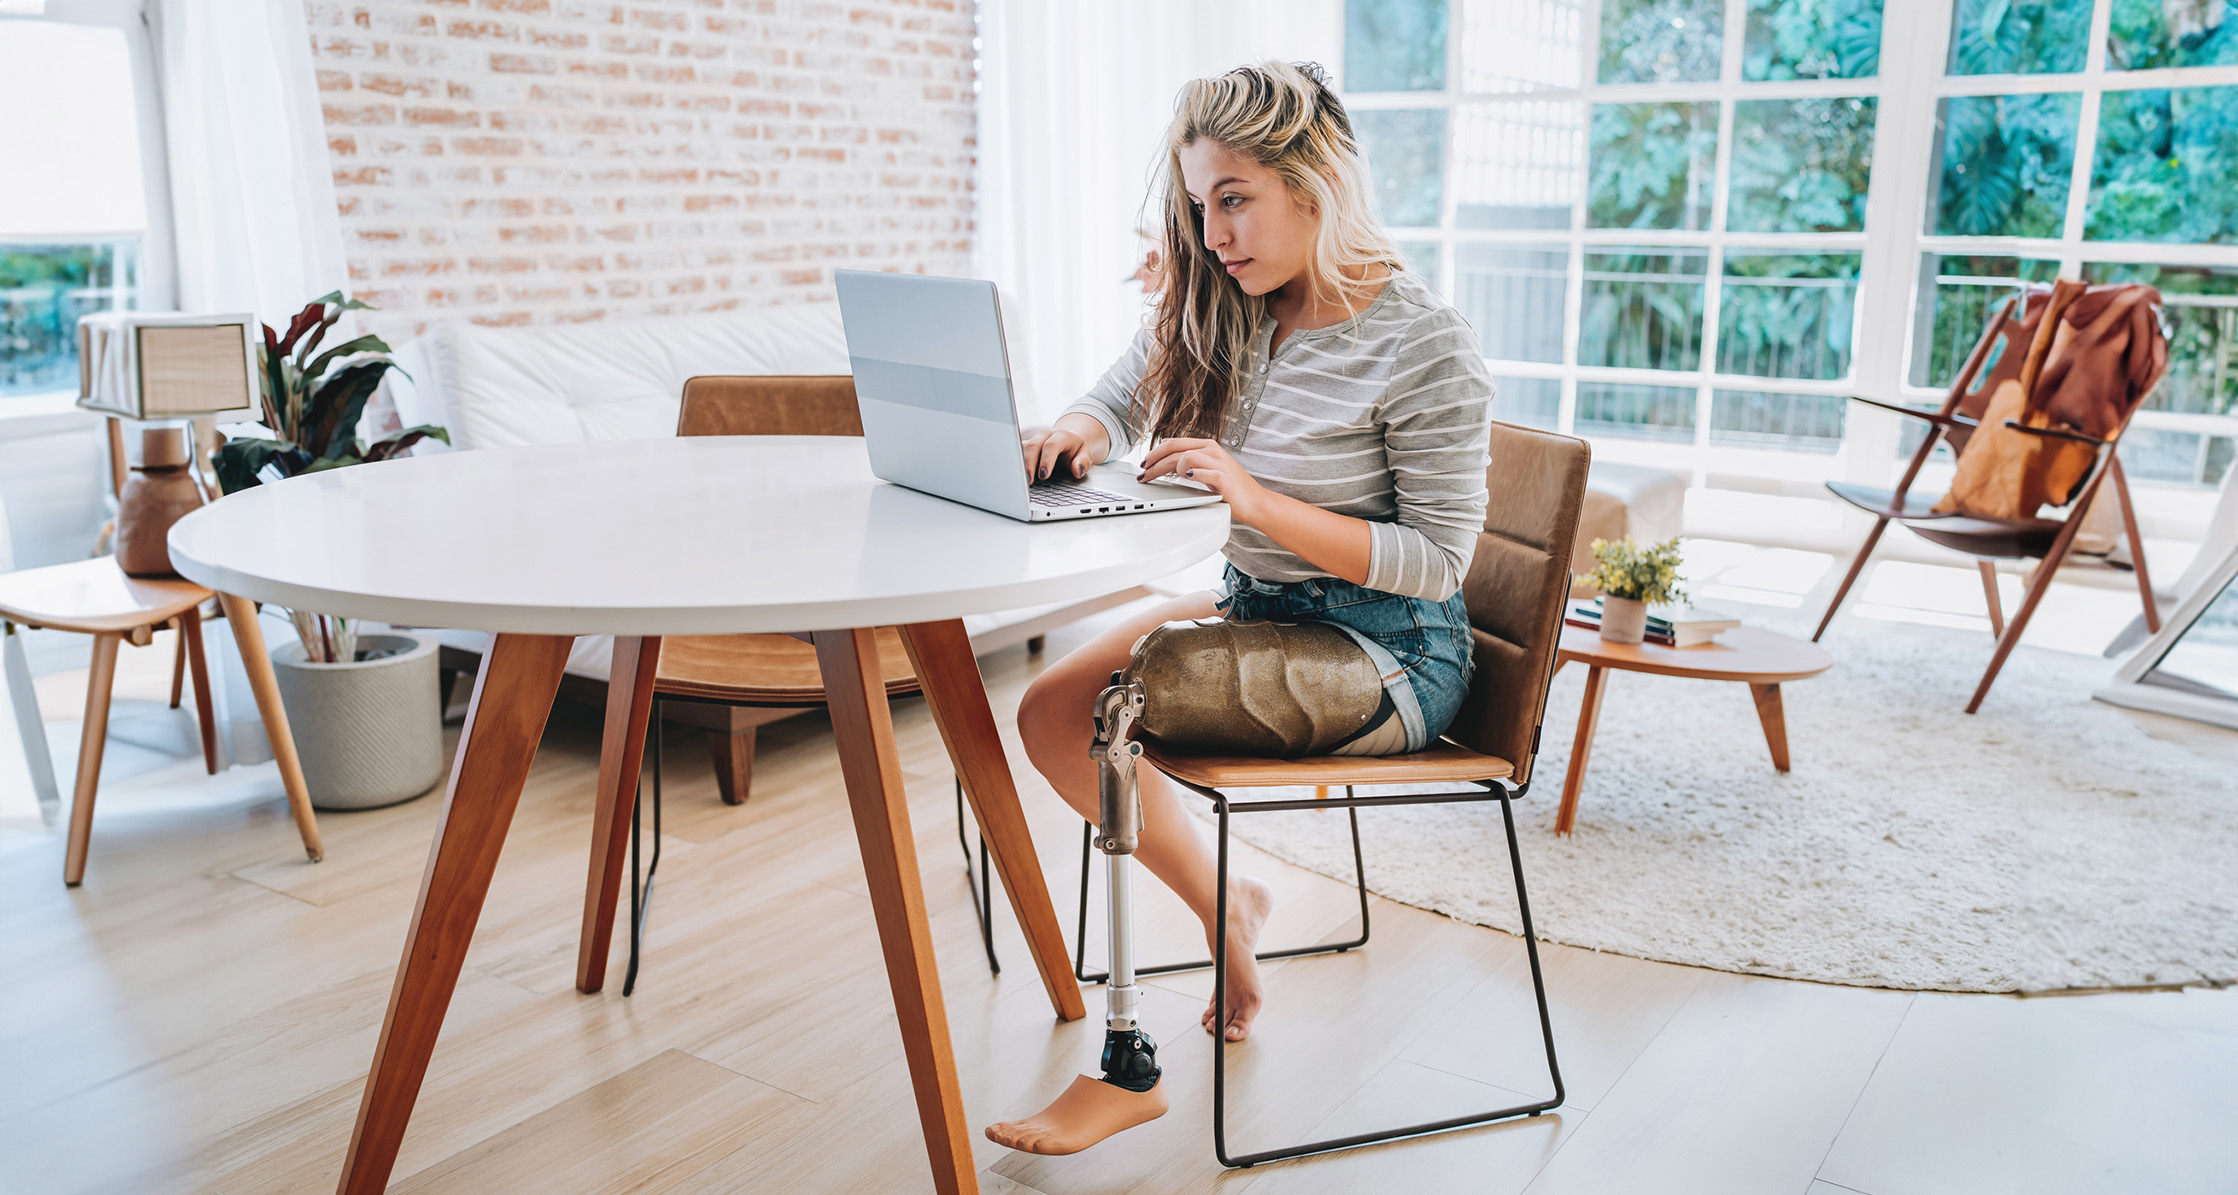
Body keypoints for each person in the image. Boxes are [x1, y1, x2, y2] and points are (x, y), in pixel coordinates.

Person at [986, 60, 1496, 1155]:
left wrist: (1257, 495)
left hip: (1389, 649)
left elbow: (1442, 562)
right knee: (1046, 712)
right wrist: (1078, 428)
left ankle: (1128, 1062)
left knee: (1122, 701)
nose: (1213, 232)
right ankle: (1232, 908)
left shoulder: (1421, 340)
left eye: (1234, 200)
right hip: (1260, 609)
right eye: (1198, 204)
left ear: (1314, 184)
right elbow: (1119, 392)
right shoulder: (1227, 301)